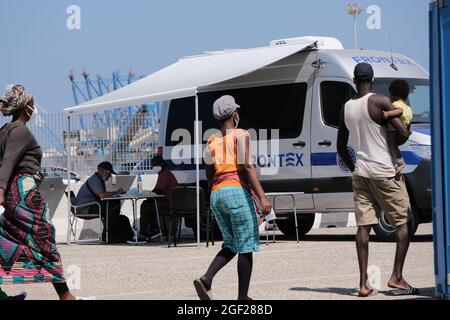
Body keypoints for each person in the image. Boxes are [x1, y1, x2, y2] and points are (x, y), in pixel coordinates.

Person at [0, 85, 94, 300]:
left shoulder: (4, 131)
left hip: (14, 195)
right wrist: (1, 191)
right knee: (44, 239)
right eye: (33, 105)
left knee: (8, 239)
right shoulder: (20, 130)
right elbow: (7, 164)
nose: (35, 109)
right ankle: (66, 297)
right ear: (27, 108)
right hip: (24, 195)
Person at [337, 63, 418, 297]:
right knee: (404, 223)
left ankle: (363, 285)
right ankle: (397, 278)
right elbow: (402, 133)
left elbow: (341, 147)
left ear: (354, 80)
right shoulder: (380, 101)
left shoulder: (346, 108)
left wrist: (355, 168)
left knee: (363, 227)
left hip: (361, 173)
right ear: (371, 80)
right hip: (383, 171)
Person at [193, 95, 272, 300]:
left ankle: (206, 279)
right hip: (235, 191)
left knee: (231, 243)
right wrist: (263, 198)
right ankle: (242, 298)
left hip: (216, 194)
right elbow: (246, 166)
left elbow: (209, 174)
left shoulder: (211, 141)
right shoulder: (240, 135)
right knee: (246, 245)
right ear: (234, 115)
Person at [75, 161, 133, 243]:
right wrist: (117, 192)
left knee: (121, 218)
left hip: (91, 206)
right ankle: (107, 236)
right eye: (109, 173)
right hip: (85, 208)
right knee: (113, 205)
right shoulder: (94, 180)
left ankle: (124, 236)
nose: (109, 176)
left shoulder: (99, 180)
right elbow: (102, 194)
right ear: (103, 171)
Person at [139, 155, 178, 240]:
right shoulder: (165, 173)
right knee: (148, 204)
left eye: (154, 164)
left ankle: (142, 233)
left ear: (161, 164)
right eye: (152, 165)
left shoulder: (164, 174)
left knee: (145, 206)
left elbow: (158, 191)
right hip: (168, 201)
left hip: (168, 203)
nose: (153, 167)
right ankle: (154, 228)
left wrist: (148, 194)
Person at [382, 79, 413, 174]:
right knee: (394, 147)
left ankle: (400, 162)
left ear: (394, 95)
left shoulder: (395, 104)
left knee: (392, 146)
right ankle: (399, 162)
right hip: (403, 133)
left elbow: (399, 111)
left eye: (390, 94)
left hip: (394, 131)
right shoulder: (408, 107)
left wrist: (387, 113)